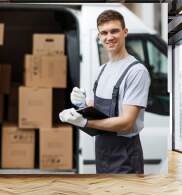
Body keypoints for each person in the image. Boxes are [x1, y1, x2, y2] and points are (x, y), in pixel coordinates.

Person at [59, 9, 151, 174]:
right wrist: (83, 103)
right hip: (102, 153)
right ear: (99, 37)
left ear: (125, 32)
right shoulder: (101, 71)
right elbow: (101, 107)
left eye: (114, 31)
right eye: (104, 33)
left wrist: (85, 123)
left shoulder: (136, 71)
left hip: (126, 157)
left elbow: (126, 122)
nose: (109, 37)